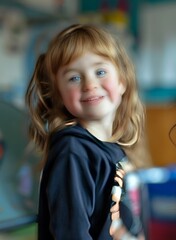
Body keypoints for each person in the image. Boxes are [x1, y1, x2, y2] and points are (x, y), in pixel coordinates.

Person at [25, 24, 146, 239]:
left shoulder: (112, 148)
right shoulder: (73, 151)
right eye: (74, 78)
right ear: (60, 95)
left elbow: (116, 223)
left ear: (122, 81)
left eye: (100, 72)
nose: (90, 84)